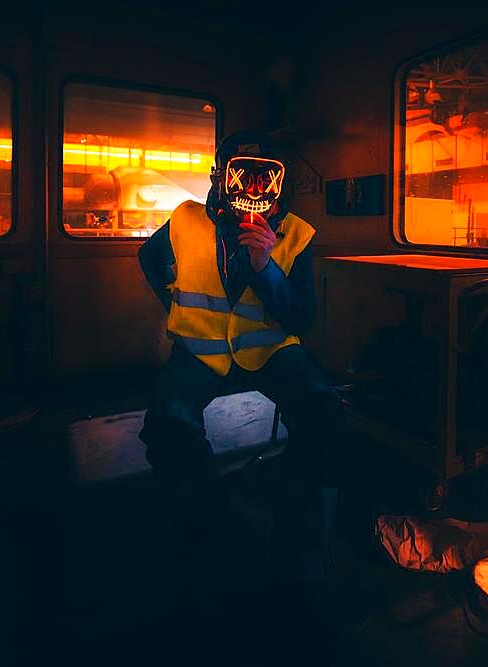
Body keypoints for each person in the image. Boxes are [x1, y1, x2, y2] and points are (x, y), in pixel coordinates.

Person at [137, 130, 345, 595]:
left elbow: (302, 317)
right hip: (199, 351)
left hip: (271, 350)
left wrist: (264, 266)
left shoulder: (294, 234)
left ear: (279, 183)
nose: (252, 190)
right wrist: (174, 303)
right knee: (169, 425)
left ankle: (301, 548)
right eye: (241, 175)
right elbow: (148, 258)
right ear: (220, 177)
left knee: (324, 415)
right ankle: (209, 527)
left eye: (264, 178)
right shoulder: (184, 221)